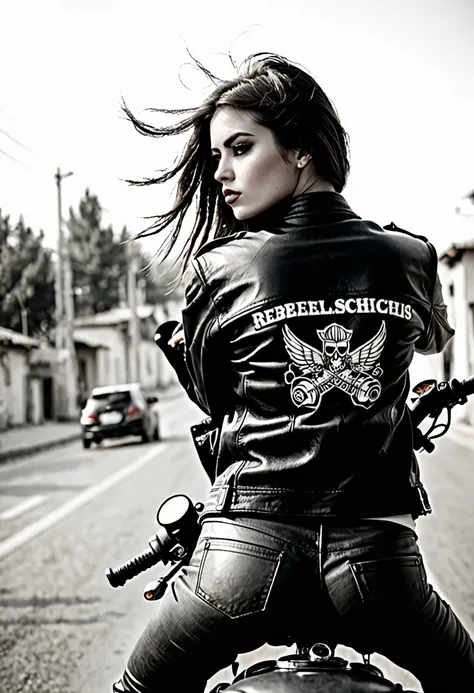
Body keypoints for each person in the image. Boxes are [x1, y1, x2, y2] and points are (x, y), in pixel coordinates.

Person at [114, 53, 474, 693]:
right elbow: (433, 339)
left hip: (244, 557)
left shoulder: (220, 267)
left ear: (303, 148)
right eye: (216, 155)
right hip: (380, 565)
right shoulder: (409, 256)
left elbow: (215, 396)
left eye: (240, 148)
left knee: (138, 689)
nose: (221, 172)